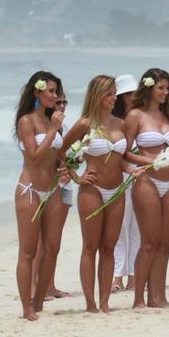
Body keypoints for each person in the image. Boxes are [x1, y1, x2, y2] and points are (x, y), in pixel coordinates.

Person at [61, 75, 127, 313]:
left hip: (117, 189)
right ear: (97, 95)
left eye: (115, 93)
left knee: (109, 247)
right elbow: (61, 152)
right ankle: (90, 303)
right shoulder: (84, 124)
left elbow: (124, 158)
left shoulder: (121, 123)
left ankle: (105, 301)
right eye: (109, 94)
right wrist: (76, 176)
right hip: (92, 190)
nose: (114, 98)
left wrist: (135, 168)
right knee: (90, 246)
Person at [124, 68, 169, 308]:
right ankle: (138, 298)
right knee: (149, 241)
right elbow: (123, 152)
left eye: (168, 88)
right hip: (148, 181)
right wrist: (147, 161)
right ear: (148, 88)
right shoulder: (135, 116)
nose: (165, 93)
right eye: (161, 88)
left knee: (165, 241)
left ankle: (158, 296)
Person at [14, 71, 67, 320]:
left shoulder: (52, 121)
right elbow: (34, 156)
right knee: (28, 251)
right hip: (30, 190)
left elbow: (56, 156)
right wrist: (53, 130)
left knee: (53, 248)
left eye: (56, 92)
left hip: (53, 190)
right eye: (51, 91)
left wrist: (68, 169)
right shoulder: (27, 121)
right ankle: (27, 307)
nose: (55, 96)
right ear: (37, 93)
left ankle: (39, 301)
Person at [111, 74, 140, 292]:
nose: (133, 97)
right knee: (120, 227)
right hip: (119, 176)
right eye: (129, 94)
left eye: (135, 93)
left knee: (137, 227)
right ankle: (117, 275)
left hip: (140, 175)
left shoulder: (141, 117)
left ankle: (133, 275)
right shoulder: (114, 122)